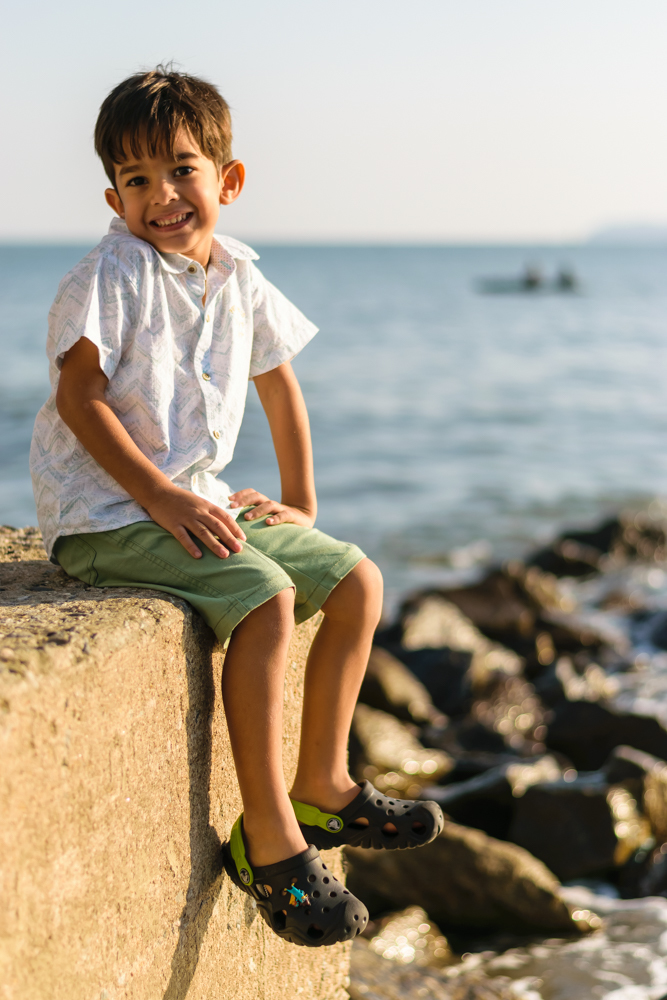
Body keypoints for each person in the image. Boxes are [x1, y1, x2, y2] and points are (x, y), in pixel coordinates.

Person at [30, 67, 443, 948]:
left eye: (182, 170)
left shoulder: (239, 275)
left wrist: (300, 501)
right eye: (137, 180)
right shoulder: (112, 275)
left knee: (356, 578)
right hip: (107, 515)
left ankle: (322, 785)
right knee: (264, 599)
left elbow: (278, 383)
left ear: (228, 180)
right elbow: (81, 399)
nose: (163, 196)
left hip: (192, 498)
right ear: (114, 196)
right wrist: (160, 494)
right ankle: (267, 842)